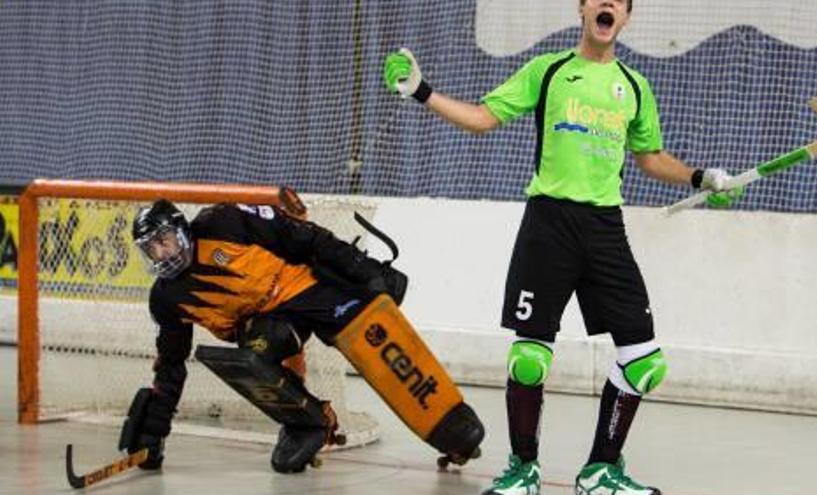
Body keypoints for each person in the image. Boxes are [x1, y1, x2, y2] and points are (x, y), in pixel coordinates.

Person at [383, 0, 742, 493]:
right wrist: (420, 92)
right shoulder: (547, 71)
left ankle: (601, 470)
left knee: (644, 361)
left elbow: (650, 158)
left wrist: (703, 177)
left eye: (619, 0)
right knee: (529, 358)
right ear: (583, 8)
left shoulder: (635, 87)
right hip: (548, 224)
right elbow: (484, 118)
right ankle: (523, 468)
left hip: (605, 229)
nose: (607, 4)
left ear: (627, 16)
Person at [121, 197, 483, 474]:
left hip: (307, 288)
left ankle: (452, 429)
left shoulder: (223, 221)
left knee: (374, 336)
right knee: (249, 361)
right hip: (265, 325)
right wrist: (156, 427)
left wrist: (361, 268)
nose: (161, 254)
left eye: (164, 241)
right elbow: (170, 363)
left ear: (181, 230)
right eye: (151, 249)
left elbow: (301, 237)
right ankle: (310, 422)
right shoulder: (167, 298)